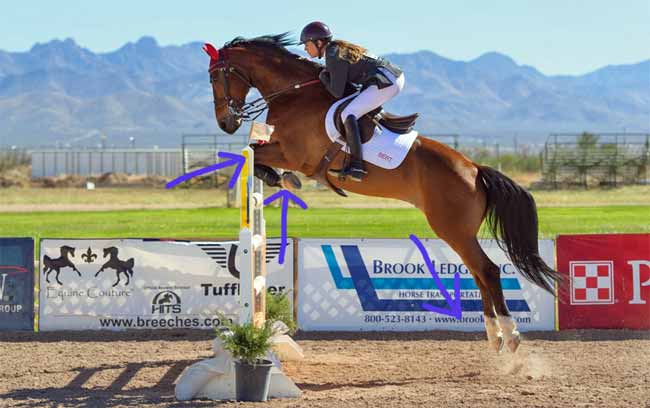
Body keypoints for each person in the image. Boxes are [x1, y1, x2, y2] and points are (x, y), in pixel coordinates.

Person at [300, 21, 405, 182]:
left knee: (348, 113)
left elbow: (337, 92)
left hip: (387, 80)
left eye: (307, 44)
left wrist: (323, 77)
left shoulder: (333, 53)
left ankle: (357, 165)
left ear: (319, 42)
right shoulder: (334, 50)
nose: (305, 48)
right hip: (388, 78)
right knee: (353, 108)